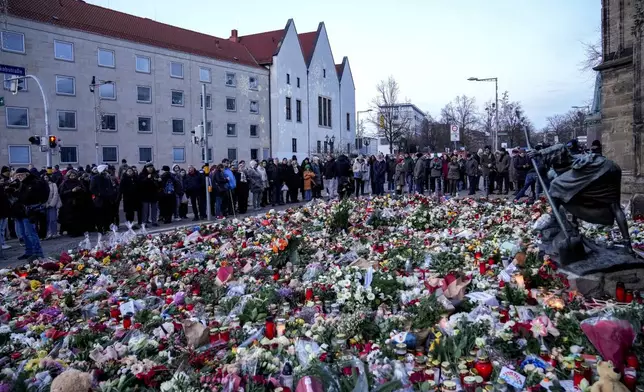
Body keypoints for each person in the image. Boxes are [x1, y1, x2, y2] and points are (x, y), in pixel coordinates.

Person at [7, 168, 48, 260]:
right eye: (17, 176)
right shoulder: (21, 183)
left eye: (21, 175)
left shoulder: (34, 183)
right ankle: (29, 251)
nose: (19, 177)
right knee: (23, 234)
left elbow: (27, 197)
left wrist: (15, 193)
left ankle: (38, 253)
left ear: (27, 174)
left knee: (30, 233)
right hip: (20, 212)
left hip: (29, 212)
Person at [58, 170, 91, 236]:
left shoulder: (79, 182)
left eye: (74, 175)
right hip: (69, 203)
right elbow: (62, 193)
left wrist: (80, 190)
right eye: (71, 176)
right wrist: (71, 191)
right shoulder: (65, 183)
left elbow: (85, 191)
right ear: (68, 176)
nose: (73, 177)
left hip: (79, 202)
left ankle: (79, 231)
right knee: (71, 218)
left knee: (79, 217)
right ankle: (72, 232)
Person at [90, 164, 117, 234]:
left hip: (107, 199)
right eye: (104, 170)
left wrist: (111, 194)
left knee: (107, 214)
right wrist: (98, 194)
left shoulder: (107, 178)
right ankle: (100, 229)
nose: (106, 171)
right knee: (100, 215)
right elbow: (92, 188)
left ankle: (106, 228)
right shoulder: (95, 178)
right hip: (99, 200)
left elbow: (110, 187)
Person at [43, 174, 61, 239]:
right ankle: (48, 233)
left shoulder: (53, 185)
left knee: (53, 219)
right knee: (46, 220)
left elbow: (55, 194)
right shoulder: (42, 185)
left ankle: (54, 233)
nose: (45, 179)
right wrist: (45, 204)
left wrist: (51, 204)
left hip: (52, 204)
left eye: (46, 177)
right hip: (45, 204)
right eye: (44, 177)